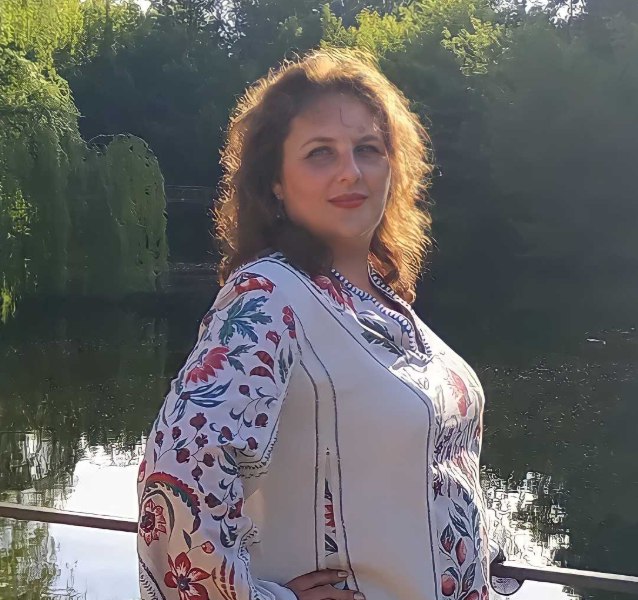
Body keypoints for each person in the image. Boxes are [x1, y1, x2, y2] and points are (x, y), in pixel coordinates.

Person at [136, 47, 522, 600]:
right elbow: (178, 472)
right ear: (275, 181)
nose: (351, 171)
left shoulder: (381, 301)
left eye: (368, 149)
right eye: (320, 153)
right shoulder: (270, 298)